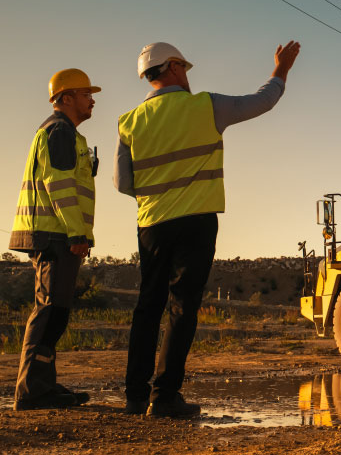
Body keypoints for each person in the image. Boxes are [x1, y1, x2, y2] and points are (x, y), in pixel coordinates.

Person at [115, 40, 300, 417]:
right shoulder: (204, 106)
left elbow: (122, 183)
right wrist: (280, 70)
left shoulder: (128, 122)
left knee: (148, 306)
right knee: (182, 307)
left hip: (151, 223)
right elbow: (261, 101)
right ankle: (164, 397)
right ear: (172, 68)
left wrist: (157, 193)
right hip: (196, 221)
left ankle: (135, 396)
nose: (186, 73)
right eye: (183, 66)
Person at [10, 69, 99, 410]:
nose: (92, 100)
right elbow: (58, 185)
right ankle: (32, 391)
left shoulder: (67, 134)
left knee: (55, 310)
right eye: (85, 93)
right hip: (55, 234)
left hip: (59, 233)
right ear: (66, 98)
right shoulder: (59, 131)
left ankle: (41, 385)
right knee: (50, 310)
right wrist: (77, 233)